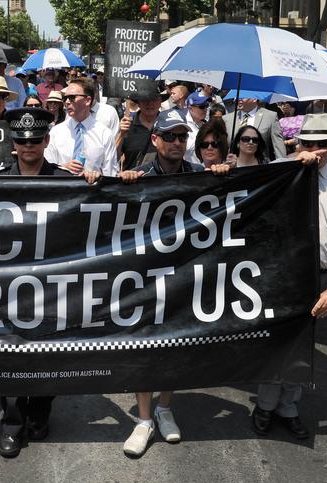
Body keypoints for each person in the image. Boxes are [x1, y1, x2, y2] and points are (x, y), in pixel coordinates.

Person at [252, 113, 327, 440]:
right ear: (297, 142)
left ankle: (289, 406)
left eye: (321, 144)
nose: (314, 150)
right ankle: (265, 404)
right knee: (275, 342)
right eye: (307, 142)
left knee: (304, 344)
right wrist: (289, 171)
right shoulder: (279, 173)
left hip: (319, 275)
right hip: (281, 273)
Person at [117, 109, 204, 456]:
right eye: (170, 136)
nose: (177, 143)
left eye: (182, 137)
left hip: (185, 276)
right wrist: (119, 183)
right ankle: (143, 420)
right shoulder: (139, 176)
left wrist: (224, 174)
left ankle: (164, 409)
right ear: (155, 140)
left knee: (176, 346)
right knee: (145, 346)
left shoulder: (200, 176)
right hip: (146, 277)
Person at [0, 107, 71, 458]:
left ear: (46, 141)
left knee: (47, 351)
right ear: (13, 143)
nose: (28, 147)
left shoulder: (64, 180)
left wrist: (97, 182)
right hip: (7, 285)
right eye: (22, 141)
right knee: (8, 351)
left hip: (51, 285)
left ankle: (39, 411)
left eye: (35, 140)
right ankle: (12, 423)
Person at [44, 77, 118, 177]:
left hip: (92, 191)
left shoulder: (104, 134)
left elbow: (111, 174)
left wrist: (96, 176)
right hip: (62, 189)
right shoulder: (56, 132)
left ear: (87, 100)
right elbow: (47, 168)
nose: (67, 102)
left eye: (72, 97)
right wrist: (63, 168)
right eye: (65, 98)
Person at [116, 79, 161, 170]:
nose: (149, 104)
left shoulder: (168, 125)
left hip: (161, 182)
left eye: (153, 99)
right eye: (145, 99)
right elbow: (113, 157)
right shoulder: (127, 126)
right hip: (133, 181)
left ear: (160, 102)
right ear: (138, 103)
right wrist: (121, 135)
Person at [184, 92, 210, 164]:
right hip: (190, 171)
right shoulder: (182, 125)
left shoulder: (207, 124)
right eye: (201, 106)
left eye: (206, 105)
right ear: (190, 108)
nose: (205, 109)